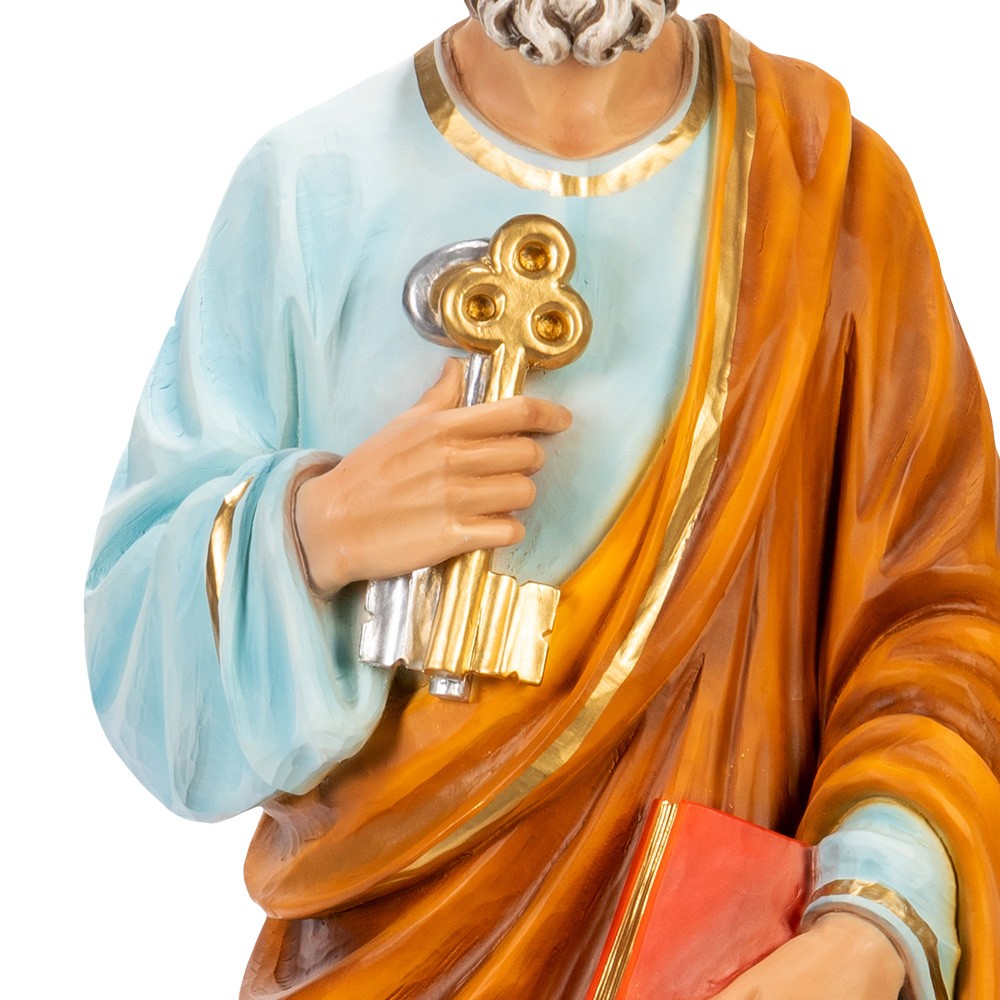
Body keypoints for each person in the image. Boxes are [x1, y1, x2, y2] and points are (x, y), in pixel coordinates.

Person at [85, 2, 1000, 997]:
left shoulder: (826, 197)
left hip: (719, 966)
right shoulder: (309, 186)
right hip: (381, 958)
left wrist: (868, 923)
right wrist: (319, 528)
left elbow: (942, 625)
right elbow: (144, 669)